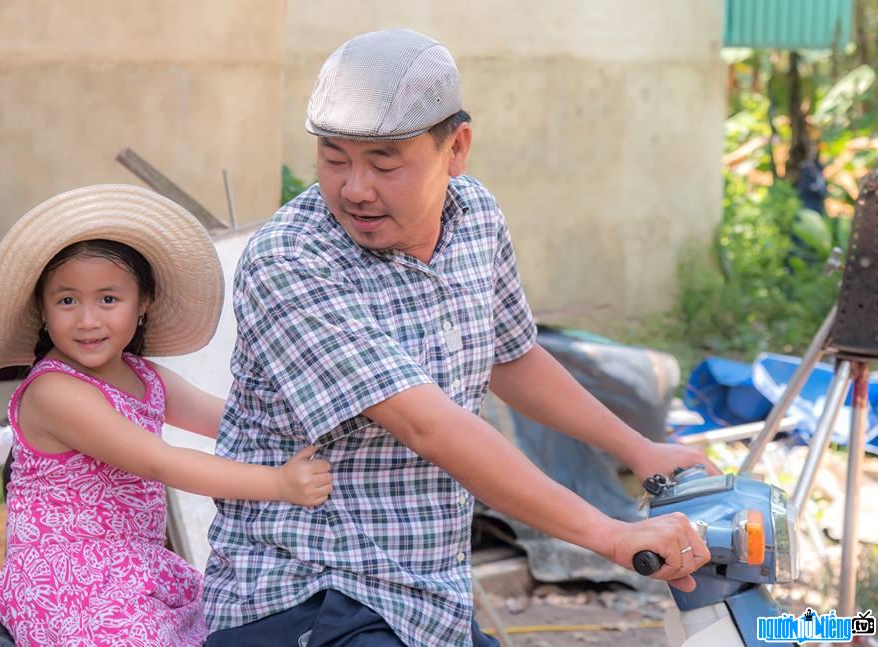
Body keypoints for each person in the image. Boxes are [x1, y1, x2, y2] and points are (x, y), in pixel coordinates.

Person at [202, 29, 717, 647]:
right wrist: (608, 533)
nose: (355, 188)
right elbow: (431, 427)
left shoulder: (476, 218)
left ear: (457, 148)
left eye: (384, 162)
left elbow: (515, 355)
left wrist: (641, 450)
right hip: (309, 596)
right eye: (334, 158)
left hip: (427, 596)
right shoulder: (291, 260)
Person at [0, 185, 333, 646]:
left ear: (144, 302)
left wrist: (321, 429)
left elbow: (237, 422)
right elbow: (159, 462)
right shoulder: (54, 391)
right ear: (43, 311)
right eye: (67, 301)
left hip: (140, 567)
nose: (87, 320)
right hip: (64, 579)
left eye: (108, 299)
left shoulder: (145, 377)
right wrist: (279, 485)